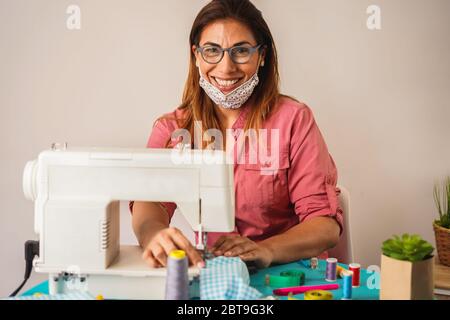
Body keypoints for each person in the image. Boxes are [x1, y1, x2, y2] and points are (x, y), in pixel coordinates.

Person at [130, 0, 343, 270]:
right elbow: (150, 203)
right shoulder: (173, 129)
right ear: (196, 55)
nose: (226, 66)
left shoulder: (294, 120)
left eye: (241, 51)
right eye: (212, 51)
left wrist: (266, 250)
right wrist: (154, 234)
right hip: (216, 272)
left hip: (286, 273)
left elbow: (324, 225)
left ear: (262, 55)